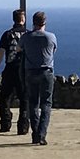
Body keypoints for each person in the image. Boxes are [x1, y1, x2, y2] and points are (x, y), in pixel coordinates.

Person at [23, 9, 58, 145]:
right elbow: (54, 50)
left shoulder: (26, 37)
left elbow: (19, 49)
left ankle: (35, 133)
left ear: (33, 22)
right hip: (46, 72)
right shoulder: (51, 37)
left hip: (31, 71)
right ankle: (42, 134)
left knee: (33, 103)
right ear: (45, 22)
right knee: (46, 103)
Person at [0, 8, 27, 135]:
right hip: (24, 70)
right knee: (24, 98)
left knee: (4, 97)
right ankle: (23, 126)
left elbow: (1, 52)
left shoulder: (7, 34)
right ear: (23, 19)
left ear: (14, 19)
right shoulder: (28, 34)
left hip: (10, 68)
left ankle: (5, 123)